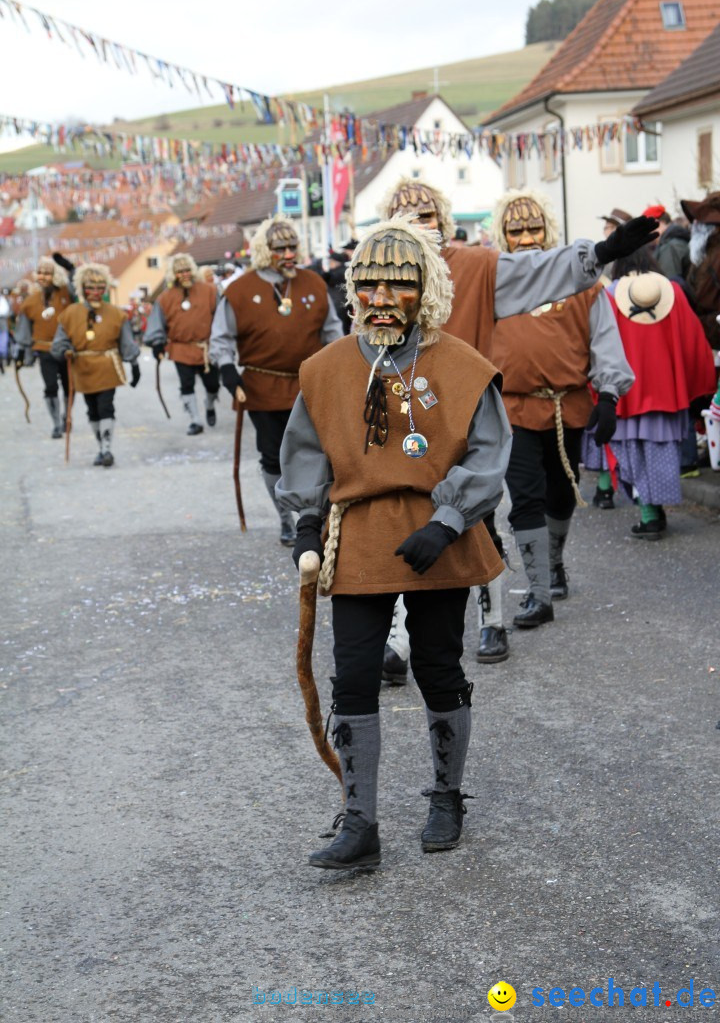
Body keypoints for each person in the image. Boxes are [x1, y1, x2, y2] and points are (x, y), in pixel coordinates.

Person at [277, 218, 512, 868]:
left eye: (398, 284)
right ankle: (360, 824)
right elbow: (303, 454)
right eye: (369, 283)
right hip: (359, 534)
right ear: (353, 290)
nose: (381, 296)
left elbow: (490, 451)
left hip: (441, 534)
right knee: (353, 675)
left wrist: (448, 520)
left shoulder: (461, 365)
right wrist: (304, 521)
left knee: (438, 668)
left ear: (425, 290)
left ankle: (446, 794)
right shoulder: (324, 369)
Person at [376, 177, 656, 670]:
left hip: (468, 417)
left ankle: (492, 621)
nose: (418, 225)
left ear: (442, 221)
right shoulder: (373, 270)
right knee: (399, 518)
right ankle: (398, 642)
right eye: (405, 217)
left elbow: (538, 269)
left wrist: (603, 251)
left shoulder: (478, 267)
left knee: (480, 518)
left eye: (427, 216)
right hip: (403, 417)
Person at [489, 189, 634, 635]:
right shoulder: (493, 283)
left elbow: (604, 339)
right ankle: (538, 593)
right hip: (511, 407)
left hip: (567, 405)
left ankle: (553, 564)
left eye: (534, 228)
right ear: (504, 235)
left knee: (560, 493)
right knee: (526, 498)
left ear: (547, 229)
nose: (527, 237)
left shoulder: (582, 283)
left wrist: (609, 396)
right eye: (516, 231)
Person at [210, 215, 343, 544]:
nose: (288, 254)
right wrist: (228, 372)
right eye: (280, 248)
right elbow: (221, 339)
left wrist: (340, 367)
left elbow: (333, 333)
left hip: (310, 385)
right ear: (263, 250)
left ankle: (314, 517)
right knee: (273, 457)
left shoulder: (313, 283)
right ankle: (286, 518)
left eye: (292, 247)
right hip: (261, 385)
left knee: (318, 453)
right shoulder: (239, 290)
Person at [604, 258, 715, 539]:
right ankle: (655, 511)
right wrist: (692, 384)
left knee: (632, 455)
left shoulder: (609, 294)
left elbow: (598, 344)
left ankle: (649, 513)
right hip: (668, 392)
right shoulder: (672, 291)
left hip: (626, 394)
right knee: (662, 453)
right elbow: (693, 341)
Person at [50, 263, 141, 467]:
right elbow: (59, 342)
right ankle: (101, 446)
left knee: (105, 406)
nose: (96, 293)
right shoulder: (69, 314)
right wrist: (66, 350)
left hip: (107, 365)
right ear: (82, 289)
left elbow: (127, 343)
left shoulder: (117, 314)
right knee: (92, 410)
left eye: (100, 288)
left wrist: (134, 364)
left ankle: (107, 449)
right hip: (82, 368)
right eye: (91, 288)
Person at [144, 253, 220, 435]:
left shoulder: (210, 290)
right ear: (174, 274)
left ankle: (209, 405)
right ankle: (195, 420)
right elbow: (157, 322)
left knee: (213, 385)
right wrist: (157, 344)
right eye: (180, 272)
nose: (185, 274)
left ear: (192, 271)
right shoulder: (165, 298)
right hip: (181, 348)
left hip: (207, 348)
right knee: (186, 384)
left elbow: (221, 318)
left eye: (187, 270)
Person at [15, 257, 73, 437]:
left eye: (47, 273)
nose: (43, 277)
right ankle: (56, 423)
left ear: (54, 275)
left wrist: (69, 267)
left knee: (69, 385)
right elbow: (24, 330)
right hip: (44, 349)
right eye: (40, 273)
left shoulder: (66, 293)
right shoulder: (30, 302)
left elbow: (77, 282)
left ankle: (66, 417)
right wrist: (21, 353)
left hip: (66, 348)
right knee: (50, 387)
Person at [681, 192, 720, 351]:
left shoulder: (716, 254)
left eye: (700, 222)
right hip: (707, 337)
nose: (694, 225)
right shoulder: (704, 254)